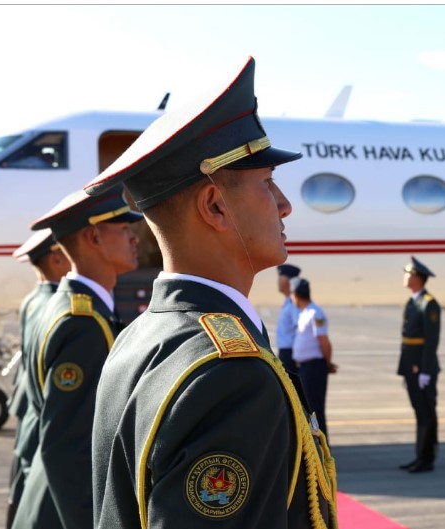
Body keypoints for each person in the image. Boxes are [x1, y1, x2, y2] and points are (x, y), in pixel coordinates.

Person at [86, 56, 337, 528]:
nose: (284, 205)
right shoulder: (231, 375)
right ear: (215, 206)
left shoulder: (140, 335)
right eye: (267, 185)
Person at [12, 189, 142, 529]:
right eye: (123, 227)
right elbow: (68, 447)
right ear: (93, 236)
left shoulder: (72, 308)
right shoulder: (83, 324)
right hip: (64, 512)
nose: (134, 236)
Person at [6, 229, 70, 529]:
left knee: (22, 495)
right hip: (41, 415)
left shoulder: (35, 299)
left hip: (28, 411)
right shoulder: (60, 306)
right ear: (56, 259)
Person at [397, 256, 440, 473]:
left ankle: (427, 458)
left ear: (418, 278)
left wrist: (424, 369)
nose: (405, 277)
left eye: (408, 274)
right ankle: (420, 456)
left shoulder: (429, 304)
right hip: (411, 365)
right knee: (419, 413)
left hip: (422, 367)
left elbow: (431, 341)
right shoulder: (413, 302)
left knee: (426, 413)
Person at [291, 277, 336, 440]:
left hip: (314, 368)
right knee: (310, 409)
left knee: (315, 409)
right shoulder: (305, 313)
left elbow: (324, 342)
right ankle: (316, 446)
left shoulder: (315, 313)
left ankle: (322, 449)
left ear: (295, 295)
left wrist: (327, 363)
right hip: (305, 368)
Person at [276, 263, 301, 374]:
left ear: (287, 282)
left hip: (292, 353)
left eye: (280, 278)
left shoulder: (294, 302)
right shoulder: (288, 301)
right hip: (287, 353)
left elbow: (300, 328)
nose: (278, 282)